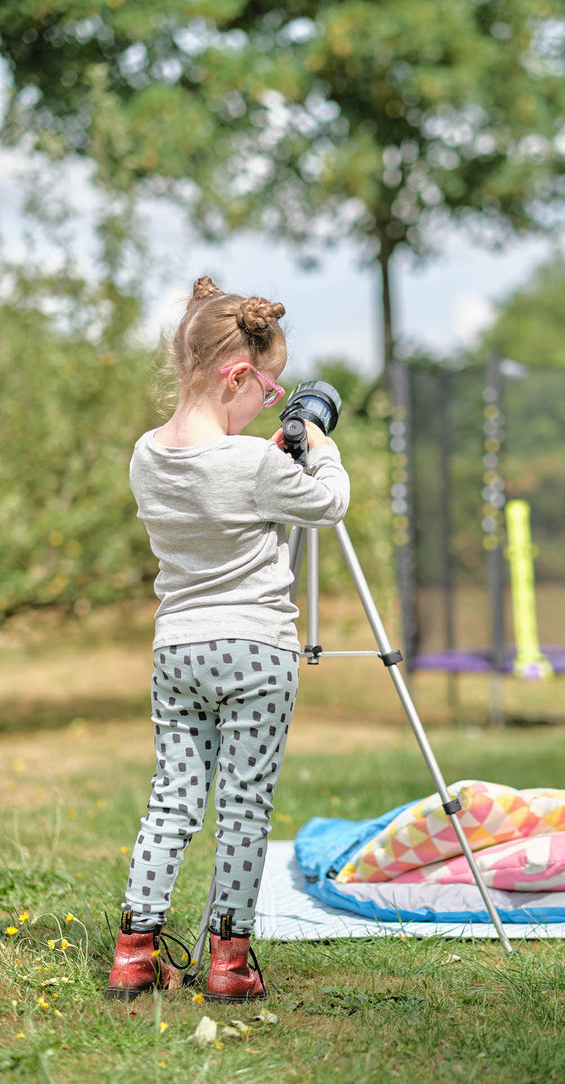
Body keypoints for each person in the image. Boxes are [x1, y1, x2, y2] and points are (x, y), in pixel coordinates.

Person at [105, 276, 349, 1002]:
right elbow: (329, 502)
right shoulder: (256, 463)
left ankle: (135, 950)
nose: (270, 404)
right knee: (242, 807)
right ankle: (229, 961)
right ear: (237, 375)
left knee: (172, 800)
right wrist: (320, 446)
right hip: (255, 650)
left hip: (177, 649)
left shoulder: (146, 454)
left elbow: (215, 487)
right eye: (268, 392)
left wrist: (268, 451)